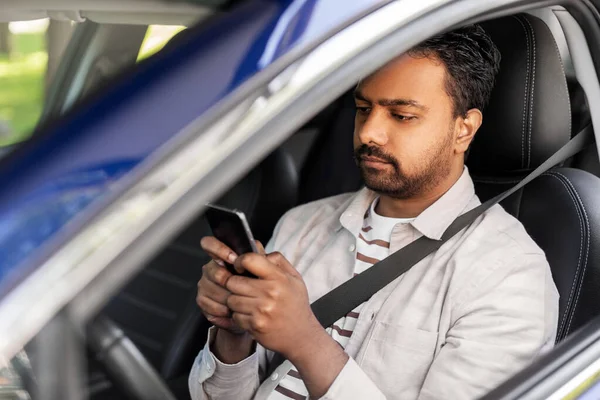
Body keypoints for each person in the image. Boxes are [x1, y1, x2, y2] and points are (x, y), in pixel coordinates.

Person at [189, 25, 559, 400]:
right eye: (364, 109)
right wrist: (234, 334)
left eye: (401, 115)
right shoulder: (303, 224)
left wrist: (305, 341)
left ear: (464, 130)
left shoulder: (509, 274)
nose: (369, 132)